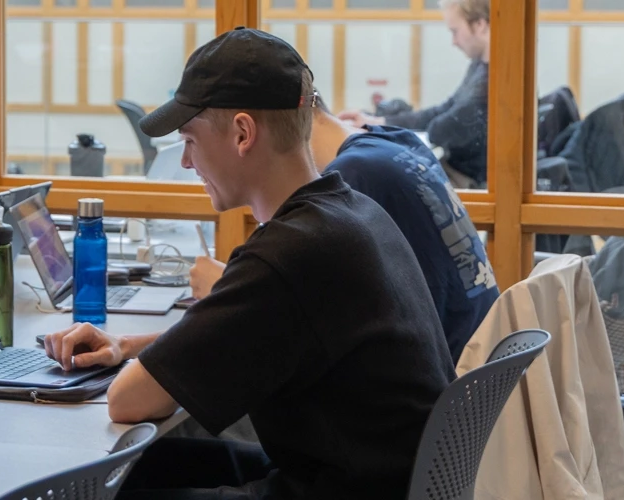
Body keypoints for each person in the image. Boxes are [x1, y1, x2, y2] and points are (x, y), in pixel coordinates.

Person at [41, 28, 454, 499]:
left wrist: (142, 367)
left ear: (242, 133)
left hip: (340, 489)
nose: (187, 163)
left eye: (190, 141)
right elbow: (249, 333)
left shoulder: (289, 252)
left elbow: (128, 401)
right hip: (374, 477)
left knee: (99, 490)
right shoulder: (355, 213)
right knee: (147, 466)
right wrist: (128, 346)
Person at [191, 95, 498, 360]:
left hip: (443, 376)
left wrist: (225, 290)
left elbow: (303, 320)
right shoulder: (395, 142)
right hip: (476, 363)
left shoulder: (351, 178)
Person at [338, 0, 489, 188]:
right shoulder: (479, 66)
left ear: (480, 25)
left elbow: (440, 129)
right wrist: (379, 122)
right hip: (453, 169)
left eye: (454, 31)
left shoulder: (490, 82)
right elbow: (443, 110)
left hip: (468, 182)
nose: (454, 42)